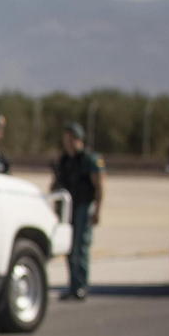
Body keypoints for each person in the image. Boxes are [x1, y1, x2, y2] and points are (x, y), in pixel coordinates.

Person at [52, 122, 104, 300]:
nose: (68, 141)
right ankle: (73, 286)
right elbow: (56, 183)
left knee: (80, 247)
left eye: (72, 138)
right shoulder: (64, 160)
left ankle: (81, 286)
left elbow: (99, 186)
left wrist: (97, 210)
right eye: (66, 137)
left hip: (83, 206)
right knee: (68, 247)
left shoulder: (89, 159)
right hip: (68, 208)